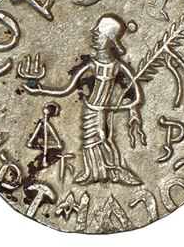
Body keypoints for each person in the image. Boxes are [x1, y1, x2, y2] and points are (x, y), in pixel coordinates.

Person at [21, 14, 145, 185]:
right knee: (88, 142)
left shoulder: (118, 66)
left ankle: (114, 170)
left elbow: (137, 95)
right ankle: (92, 172)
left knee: (103, 138)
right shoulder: (92, 64)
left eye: (100, 33)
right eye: (96, 31)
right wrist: (41, 89)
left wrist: (120, 107)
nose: (94, 33)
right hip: (90, 109)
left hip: (103, 110)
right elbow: (67, 89)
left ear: (111, 40)